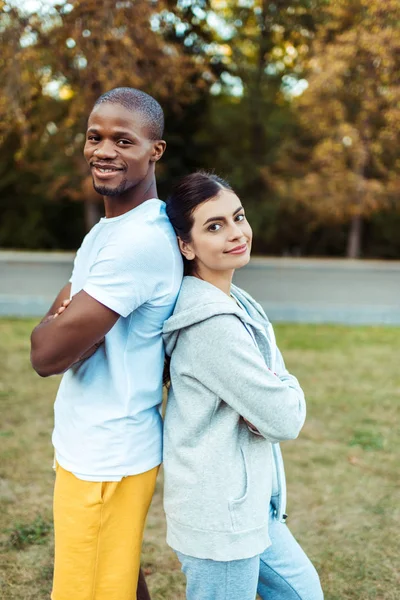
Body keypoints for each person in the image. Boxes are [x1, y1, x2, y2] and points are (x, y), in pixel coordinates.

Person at [30, 87, 183, 600]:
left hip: (106, 457)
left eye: (123, 140)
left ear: (154, 150)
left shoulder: (137, 243)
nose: (104, 151)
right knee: (117, 579)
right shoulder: (109, 232)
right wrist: (65, 329)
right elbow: (60, 336)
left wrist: (61, 327)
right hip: (93, 446)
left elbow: (46, 353)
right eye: (95, 137)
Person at [162, 171, 324, 600]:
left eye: (238, 217)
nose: (236, 233)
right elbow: (284, 417)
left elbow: (275, 402)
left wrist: (276, 393)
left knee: (303, 593)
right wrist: (279, 394)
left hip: (251, 505)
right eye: (214, 226)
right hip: (220, 515)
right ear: (186, 245)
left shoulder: (238, 300)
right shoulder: (211, 324)